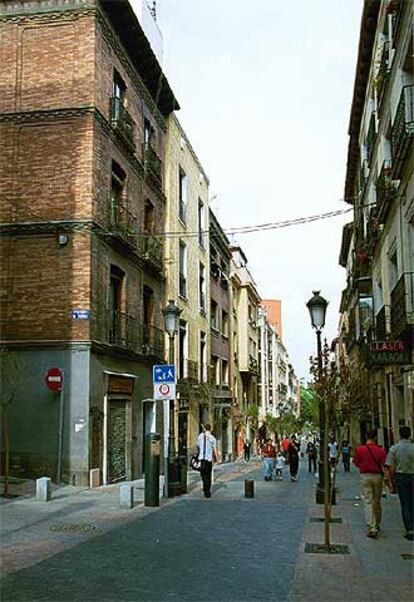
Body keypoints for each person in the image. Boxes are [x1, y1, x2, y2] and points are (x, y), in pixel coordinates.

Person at [353, 429, 387, 539]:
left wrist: (363, 467)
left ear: (366, 436)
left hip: (365, 476)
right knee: (377, 501)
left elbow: (356, 462)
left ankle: (372, 527)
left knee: (367, 500)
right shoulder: (381, 450)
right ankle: (377, 523)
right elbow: (384, 464)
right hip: (378, 476)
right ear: (376, 438)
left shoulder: (360, 449)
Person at [385, 426, 414, 541]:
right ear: (410, 434)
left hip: (401, 478)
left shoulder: (394, 449)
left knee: (405, 504)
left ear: (400, 435)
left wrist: (391, 482)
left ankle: (410, 529)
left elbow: (390, 467)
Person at [197, 424, 219, 498]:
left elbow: (199, 446)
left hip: (201, 459)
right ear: (210, 429)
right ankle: (207, 491)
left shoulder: (200, 436)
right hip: (208, 459)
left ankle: (205, 487)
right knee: (208, 475)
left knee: (203, 475)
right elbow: (215, 450)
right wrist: (217, 459)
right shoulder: (212, 438)